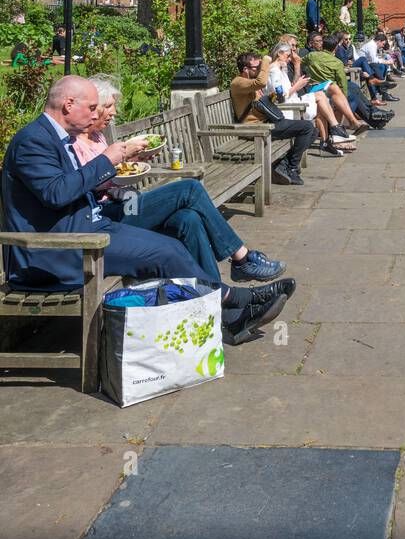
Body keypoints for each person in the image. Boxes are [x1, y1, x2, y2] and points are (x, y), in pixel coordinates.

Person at [1, 76, 294, 346]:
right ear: (68, 105)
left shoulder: (56, 138)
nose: (96, 114)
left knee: (177, 235)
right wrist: (107, 161)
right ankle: (235, 300)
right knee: (167, 250)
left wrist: (115, 167)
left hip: (88, 228)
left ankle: (227, 312)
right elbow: (57, 193)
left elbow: (72, 190)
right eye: (92, 107)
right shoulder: (33, 141)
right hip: (58, 251)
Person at [75, 77, 286, 281]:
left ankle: (214, 291)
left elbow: (117, 171)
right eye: (108, 106)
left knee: (189, 218)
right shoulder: (75, 143)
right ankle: (242, 258)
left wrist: (135, 158)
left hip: (125, 200)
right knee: (190, 189)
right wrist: (117, 162)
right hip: (108, 214)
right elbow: (86, 184)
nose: (114, 112)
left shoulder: (97, 136)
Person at [231, 52, 319, 185]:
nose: (261, 69)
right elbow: (261, 82)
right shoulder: (238, 82)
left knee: (312, 130)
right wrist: (266, 60)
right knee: (307, 128)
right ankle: (291, 167)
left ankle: (283, 165)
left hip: (267, 122)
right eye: (257, 67)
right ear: (245, 69)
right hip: (256, 128)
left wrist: (274, 96)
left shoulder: (248, 83)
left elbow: (260, 102)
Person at [268, 40, 355, 156]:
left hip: (294, 102)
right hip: (289, 109)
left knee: (321, 96)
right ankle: (332, 134)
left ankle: (330, 135)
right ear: (279, 53)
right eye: (288, 56)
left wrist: (298, 82)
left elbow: (287, 89)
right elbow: (280, 98)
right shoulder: (273, 71)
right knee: (322, 99)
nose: (289, 59)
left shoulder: (280, 69)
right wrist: (298, 86)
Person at [301, 34, 371, 132]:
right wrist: (344, 96)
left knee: (345, 94)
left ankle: (343, 126)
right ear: (335, 48)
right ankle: (343, 126)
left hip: (315, 89)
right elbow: (342, 82)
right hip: (325, 92)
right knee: (344, 97)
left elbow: (300, 62)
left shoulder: (312, 56)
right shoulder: (337, 62)